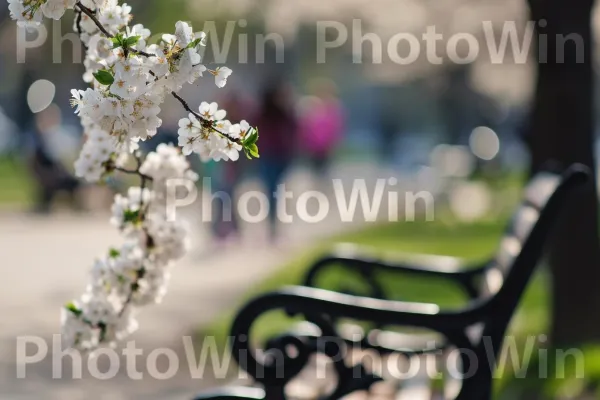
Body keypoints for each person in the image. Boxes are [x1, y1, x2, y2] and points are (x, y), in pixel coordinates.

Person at [255, 82, 297, 243]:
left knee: (274, 191)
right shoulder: (265, 114)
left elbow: (293, 130)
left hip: (277, 157)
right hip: (270, 157)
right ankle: (273, 228)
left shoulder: (284, 113)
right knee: (273, 192)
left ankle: (274, 228)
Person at [299, 78, 344, 180]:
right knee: (314, 168)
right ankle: (317, 183)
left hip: (327, 146)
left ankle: (322, 183)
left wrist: (334, 142)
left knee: (324, 168)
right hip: (313, 145)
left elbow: (337, 127)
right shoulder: (311, 105)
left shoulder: (333, 107)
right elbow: (305, 126)